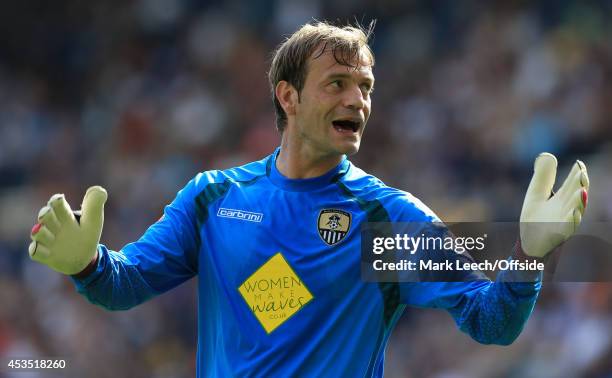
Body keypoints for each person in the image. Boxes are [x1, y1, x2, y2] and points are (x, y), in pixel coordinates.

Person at [28, 22, 589, 377]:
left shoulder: (385, 218)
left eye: (366, 87)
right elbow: (124, 287)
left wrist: (528, 256)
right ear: (288, 97)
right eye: (338, 84)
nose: (358, 100)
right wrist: (87, 263)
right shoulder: (214, 199)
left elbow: (490, 321)